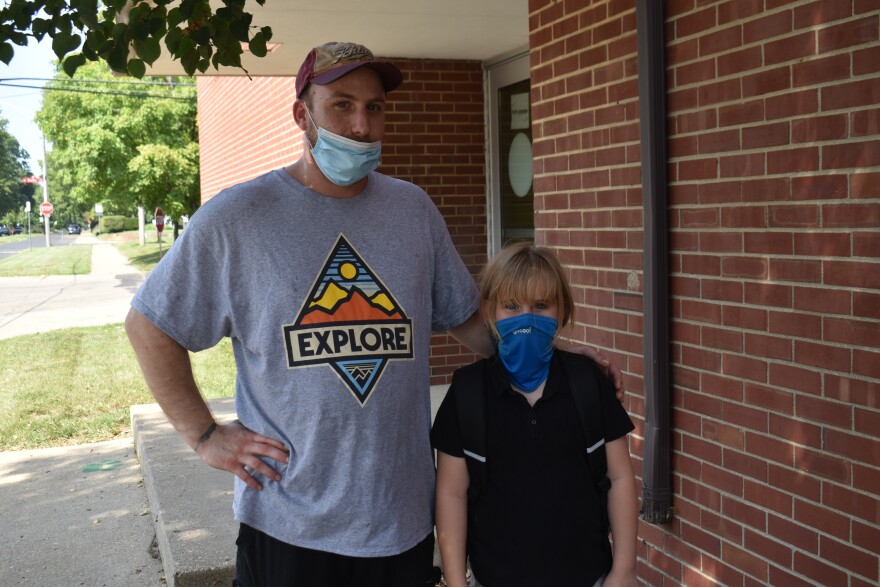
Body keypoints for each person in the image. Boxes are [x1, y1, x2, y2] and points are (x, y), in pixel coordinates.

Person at [125, 41, 623, 586]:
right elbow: (150, 325)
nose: (362, 125)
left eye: (375, 107)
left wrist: (558, 357)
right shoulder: (239, 218)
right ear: (302, 114)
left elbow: (473, 325)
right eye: (342, 104)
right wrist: (203, 436)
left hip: (402, 526)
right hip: (291, 525)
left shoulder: (412, 211)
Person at [432, 243, 638, 587]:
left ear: (562, 312)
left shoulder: (587, 383)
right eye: (512, 306)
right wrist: (456, 580)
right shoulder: (467, 393)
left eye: (540, 306)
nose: (526, 318)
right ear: (488, 312)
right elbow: (451, 493)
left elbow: (620, 478)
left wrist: (624, 570)